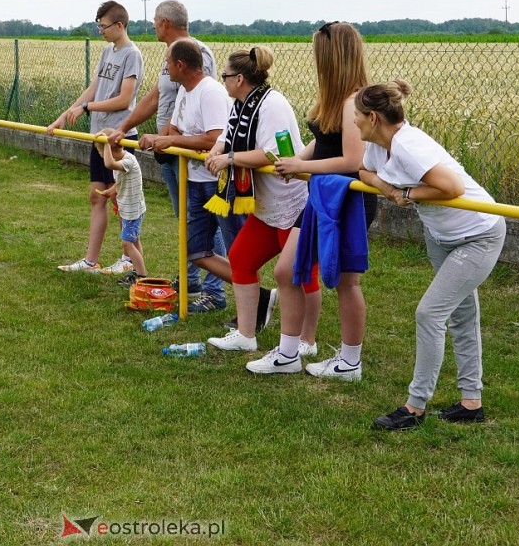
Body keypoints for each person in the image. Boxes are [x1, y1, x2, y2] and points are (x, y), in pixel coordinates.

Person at [355, 80, 507, 430]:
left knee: (429, 314)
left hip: (478, 234)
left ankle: (415, 407)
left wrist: (406, 191)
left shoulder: (409, 146)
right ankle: (472, 403)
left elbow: (451, 187)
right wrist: (389, 189)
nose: (353, 123)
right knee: (462, 314)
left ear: (373, 118)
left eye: (356, 116)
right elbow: (365, 172)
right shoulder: (379, 144)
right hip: (440, 234)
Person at [262, 21, 376, 378]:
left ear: (332, 57)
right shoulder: (334, 99)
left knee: (346, 281)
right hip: (322, 196)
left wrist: (302, 166)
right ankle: (288, 354)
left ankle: (349, 362)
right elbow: (324, 142)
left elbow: (352, 160)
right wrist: (297, 160)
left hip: (346, 200)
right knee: (287, 271)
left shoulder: (354, 100)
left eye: (319, 54)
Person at [108, 0, 228, 303]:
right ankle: (190, 281)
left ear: (165, 23)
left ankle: (210, 287)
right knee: (187, 218)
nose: (151, 27)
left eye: (155, 22)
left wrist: (169, 140)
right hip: (170, 149)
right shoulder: (169, 57)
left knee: (203, 219)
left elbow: (200, 103)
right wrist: (126, 128)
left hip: (186, 152)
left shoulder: (196, 53)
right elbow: (155, 97)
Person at [204, 46, 307, 354]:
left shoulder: (272, 104)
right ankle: (245, 335)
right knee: (241, 260)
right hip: (265, 205)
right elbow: (230, 134)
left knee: (301, 275)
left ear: (239, 78)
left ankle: (306, 342)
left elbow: (273, 153)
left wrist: (230, 159)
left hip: (292, 202)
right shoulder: (241, 102)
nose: (222, 80)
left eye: (224, 75)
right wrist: (218, 149)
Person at [138, 38, 248, 314]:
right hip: (194, 181)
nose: (165, 68)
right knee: (196, 250)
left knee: (237, 250)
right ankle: (256, 293)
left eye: (167, 63)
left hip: (218, 182)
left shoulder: (210, 92)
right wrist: (156, 138)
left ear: (180, 64)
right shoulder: (185, 92)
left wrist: (172, 141)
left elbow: (215, 139)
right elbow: (174, 130)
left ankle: (242, 301)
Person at [46, 0, 143, 273]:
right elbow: (95, 87)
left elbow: (124, 99)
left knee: (121, 199)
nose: (100, 31)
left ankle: (129, 258)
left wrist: (87, 108)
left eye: (103, 26)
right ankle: (91, 260)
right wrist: (66, 114)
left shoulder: (132, 55)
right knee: (97, 196)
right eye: (98, 25)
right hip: (98, 139)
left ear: (119, 25)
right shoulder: (107, 52)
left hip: (117, 139)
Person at [97, 127, 147, 286]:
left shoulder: (128, 161)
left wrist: (105, 143)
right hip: (128, 209)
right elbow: (120, 183)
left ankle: (141, 276)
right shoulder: (121, 163)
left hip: (133, 212)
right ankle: (138, 272)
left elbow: (108, 163)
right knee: (135, 242)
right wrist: (110, 191)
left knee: (127, 243)